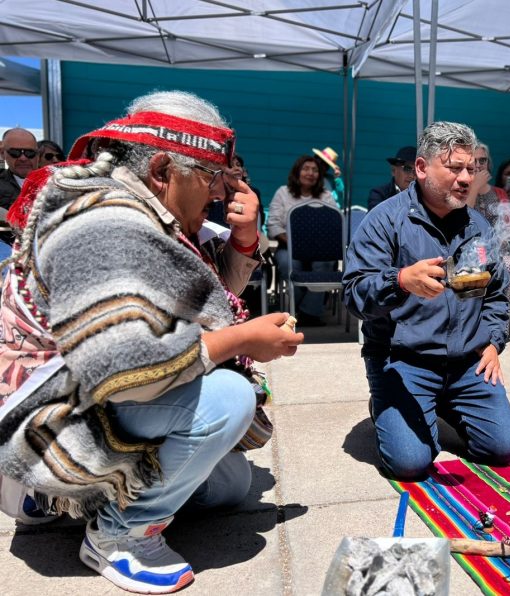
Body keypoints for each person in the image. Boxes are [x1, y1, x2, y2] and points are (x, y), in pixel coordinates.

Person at [0, 90, 303, 593]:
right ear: (163, 170)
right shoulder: (104, 223)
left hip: (82, 400)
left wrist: (245, 241)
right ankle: (114, 533)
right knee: (229, 400)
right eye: (211, 178)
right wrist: (240, 340)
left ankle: (73, 497)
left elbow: (201, 304)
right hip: (47, 418)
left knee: (230, 486)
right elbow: (125, 374)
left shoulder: (146, 207)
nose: (219, 194)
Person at [343, 121, 510, 480]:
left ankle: (440, 404)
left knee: (502, 449)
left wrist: (492, 342)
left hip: (464, 363)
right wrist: (401, 280)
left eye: (471, 168)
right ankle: (389, 405)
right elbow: (354, 294)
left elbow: (495, 292)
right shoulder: (386, 221)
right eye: (454, 168)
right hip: (403, 362)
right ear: (422, 169)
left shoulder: (477, 228)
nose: (466, 178)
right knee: (411, 463)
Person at [267, 155, 337, 326]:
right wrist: (297, 245)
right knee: (287, 264)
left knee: (326, 264)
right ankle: (292, 309)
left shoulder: (326, 196)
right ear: (297, 172)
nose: (310, 173)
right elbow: (274, 225)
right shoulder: (283, 193)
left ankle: (308, 312)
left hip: (320, 250)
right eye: (306, 169)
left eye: (315, 170)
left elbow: (334, 225)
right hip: (289, 247)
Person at [466, 142, 510, 301]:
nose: (478, 165)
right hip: (468, 251)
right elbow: (463, 219)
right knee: (474, 267)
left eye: (482, 160)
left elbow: (508, 228)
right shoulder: (460, 190)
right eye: (473, 160)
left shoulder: (499, 193)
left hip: (497, 250)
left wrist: (495, 245)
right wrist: (474, 187)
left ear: (488, 164)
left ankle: (502, 318)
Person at [368, 145, 417, 211]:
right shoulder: (379, 194)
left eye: (416, 171)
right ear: (393, 171)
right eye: (407, 169)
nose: (412, 175)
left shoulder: (424, 197)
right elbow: (377, 218)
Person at [0, 128, 38, 211]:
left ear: (37, 154)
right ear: (3, 154)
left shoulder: (54, 182)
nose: (23, 158)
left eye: (29, 152)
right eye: (15, 152)